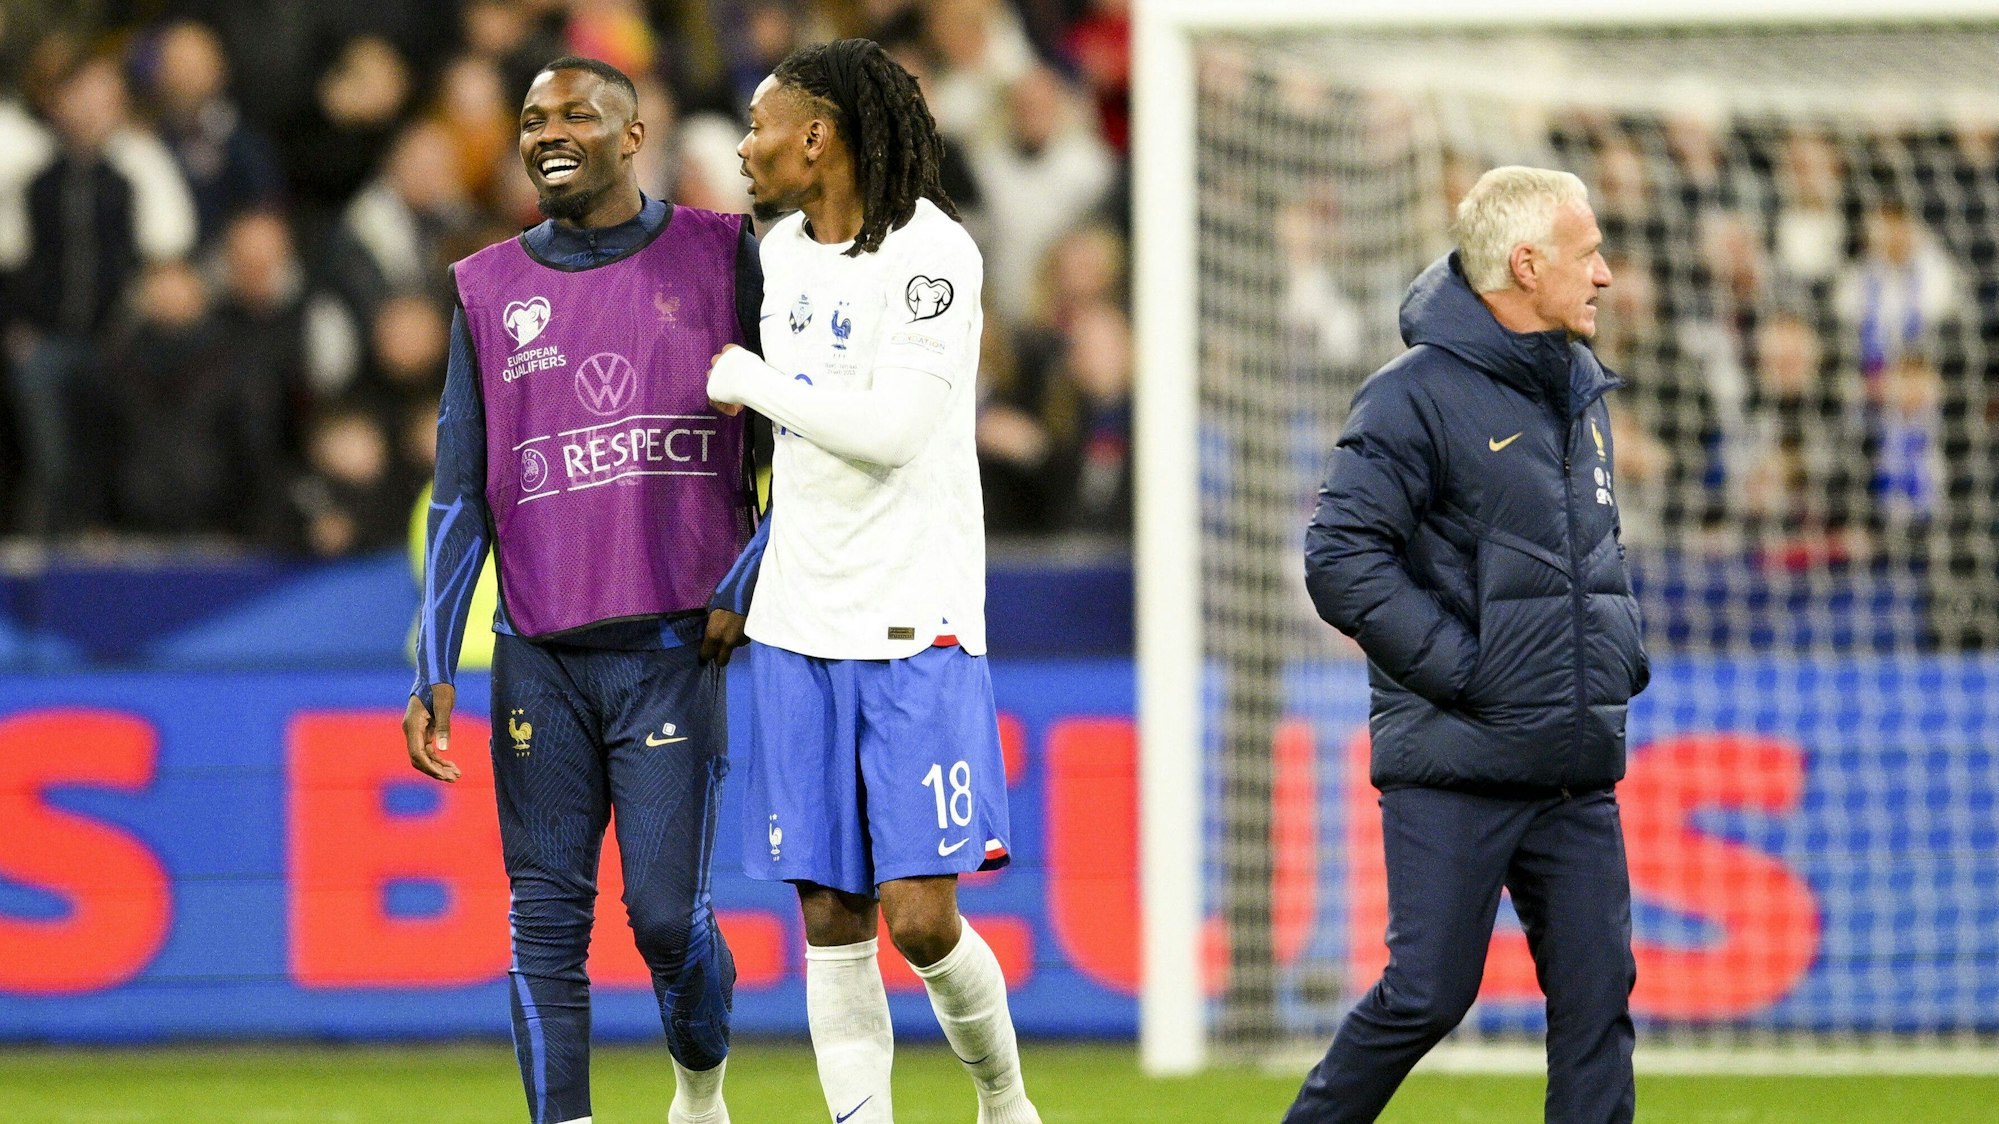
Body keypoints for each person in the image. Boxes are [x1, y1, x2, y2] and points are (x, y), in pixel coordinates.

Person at [402, 57, 763, 1124]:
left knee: (662, 918)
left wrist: (747, 572)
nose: (547, 132)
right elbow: (461, 493)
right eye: (530, 118)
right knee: (544, 922)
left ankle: (700, 1081)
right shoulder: (486, 286)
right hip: (539, 654)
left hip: (669, 651)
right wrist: (430, 663)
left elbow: (797, 441)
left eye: (575, 114)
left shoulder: (725, 255)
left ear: (633, 132)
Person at [705, 38, 1041, 1124]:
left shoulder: (934, 257)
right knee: (831, 914)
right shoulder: (778, 256)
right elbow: (797, 463)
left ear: (818, 136)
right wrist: (745, 575)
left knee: (920, 917)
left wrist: (752, 381)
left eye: (760, 126)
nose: (743, 148)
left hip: (915, 622)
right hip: (799, 620)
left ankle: (1003, 1096)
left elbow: (894, 432)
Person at [1289, 166, 1646, 1124]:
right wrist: (1468, 673)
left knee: (1596, 1004)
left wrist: (1618, 654)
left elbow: (1589, 549)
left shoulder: (1578, 388)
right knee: (1426, 996)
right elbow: (1337, 559)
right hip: (1457, 759)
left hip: (1570, 766)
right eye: (1588, 253)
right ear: (1525, 265)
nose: (1606, 275)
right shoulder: (1409, 397)